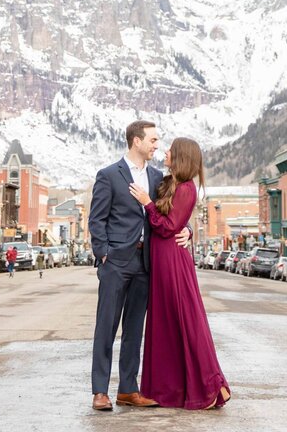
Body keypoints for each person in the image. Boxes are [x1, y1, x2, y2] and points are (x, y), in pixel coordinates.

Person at [88, 121, 191, 412]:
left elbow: (176, 210)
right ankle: (100, 391)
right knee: (106, 326)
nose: (156, 145)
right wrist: (103, 253)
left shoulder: (159, 178)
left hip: (147, 263)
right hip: (116, 262)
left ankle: (128, 389)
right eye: (153, 140)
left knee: (135, 328)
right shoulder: (109, 175)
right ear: (136, 141)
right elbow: (97, 219)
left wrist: (189, 231)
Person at [129, 137, 231, 410]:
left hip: (173, 261)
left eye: (171, 150)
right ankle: (168, 390)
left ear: (181, 156)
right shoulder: (169, 183)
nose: (165, 152)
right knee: (165, 324)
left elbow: (168, 226)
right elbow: (177, 222)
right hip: (162, 260)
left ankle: (207, 388)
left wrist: (148, 203)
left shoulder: (186, 188)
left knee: (184, 319)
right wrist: (186, 228)